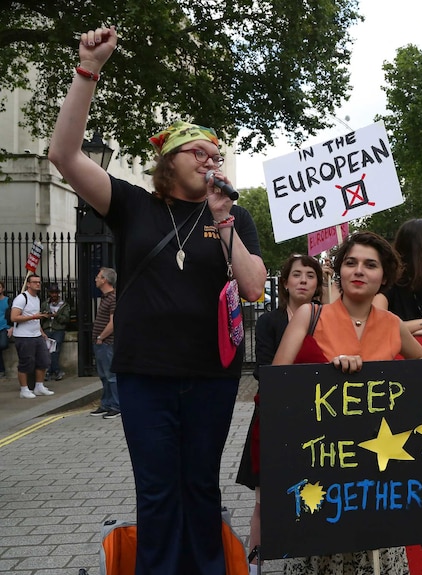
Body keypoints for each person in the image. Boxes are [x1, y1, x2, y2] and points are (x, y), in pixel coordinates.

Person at [47, 26, 266, 574]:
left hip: (213, 376)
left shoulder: (234, 215)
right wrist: (87, 71)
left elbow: (256, 286)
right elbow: (64, 154)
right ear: (169, 160)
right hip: (146, 374)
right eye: (199, 151)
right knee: (158, 490)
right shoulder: (133, 205)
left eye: (217, 154)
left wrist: (223, 220)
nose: (211, 160)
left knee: (201, 487)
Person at [273, 231, 422, 575]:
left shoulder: (393, 325)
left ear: (384, 277)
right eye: (351, 262)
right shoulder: (309, 316)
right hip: (322, 466)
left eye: (370, 265)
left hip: (380, 474)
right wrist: (326, 375)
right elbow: (278, 383)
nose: (359, 270)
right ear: (339, 271)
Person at [236, 254, 325, 573]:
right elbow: (262, 368)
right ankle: (257, 561)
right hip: (276, 417)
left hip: (318, 418)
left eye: (310, 275)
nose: (303, 280)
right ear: (285, 282)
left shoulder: (327, 318)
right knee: (266, 496)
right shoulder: (269, 321)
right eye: (296, 274)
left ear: (318, 284)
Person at [10, 274, 54, 399]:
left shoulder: (36, 299)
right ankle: (24, 389)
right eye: (34, 282)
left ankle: (39, 387)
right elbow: (14, 317)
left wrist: (42, 332)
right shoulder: (21, 298)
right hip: (24, 336)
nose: (37, 284)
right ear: (28, 284)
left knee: (43, 361)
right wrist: (34, 317)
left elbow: (36, 318)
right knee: (26, 363)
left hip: (36, 335)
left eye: (39, 282)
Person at [89, 268, 120, 420]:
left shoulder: (113, 297)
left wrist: (101, 337)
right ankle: (106, 404)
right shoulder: (106, 297)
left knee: (110, 375)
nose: (95, 279)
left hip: (107, 342)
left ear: (105, 280)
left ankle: (116, 405)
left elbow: (113, 322)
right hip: (101, 342)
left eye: (98, 276)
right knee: (103, 375)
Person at [41, 283, 71, 381]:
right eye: (52, 292)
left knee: (55, 350)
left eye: (56, 292)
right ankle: (51, 371)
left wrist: (56, 316)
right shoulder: (45, 304)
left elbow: (66, 319)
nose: (54, 295)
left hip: (58, 330)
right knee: (47, 351)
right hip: (47, 329)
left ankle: (54, 371)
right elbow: (39, 318)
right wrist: (45, 316)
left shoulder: (64, 305)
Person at [0, 280, 11, 378]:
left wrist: (11, 327)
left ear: (3, 289)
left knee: (3, 344)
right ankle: (1, 370)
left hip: (4, 327)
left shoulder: (8, 300)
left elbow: (12, 314)